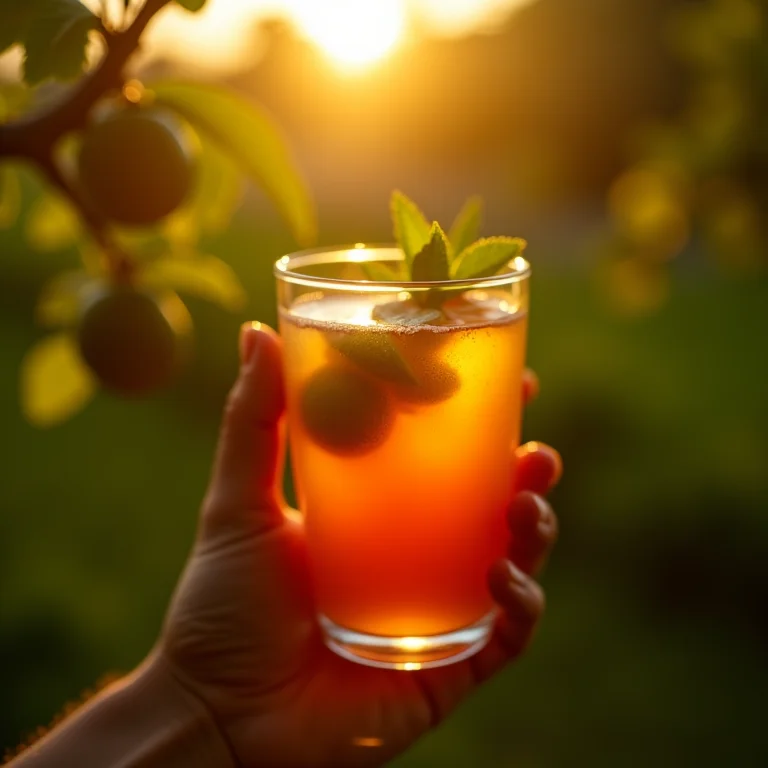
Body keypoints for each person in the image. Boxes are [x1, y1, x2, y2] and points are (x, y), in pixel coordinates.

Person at [10, 323, 561, 768]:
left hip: (455, 619)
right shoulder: (333, 335)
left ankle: (446, 614)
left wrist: (205, 714)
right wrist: (207, 710)